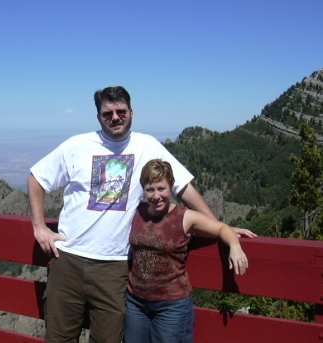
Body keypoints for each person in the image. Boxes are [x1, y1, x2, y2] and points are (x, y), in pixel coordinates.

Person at [28, 86, 218, 342]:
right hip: (68, 259)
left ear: (132, 113)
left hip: (115, 267)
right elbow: (37, 178)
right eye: (108, 113)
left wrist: (216, 226)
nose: (115, 117)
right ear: (98, 117)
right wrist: (39, 227)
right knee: (59, 338)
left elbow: (182, 186)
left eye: (121, 111)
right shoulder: (77, 145)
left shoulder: (147, 145)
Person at [125, 159, 254, 343]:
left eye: (161, 188)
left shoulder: (185, 217)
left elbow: (221, 228)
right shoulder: (137, 211)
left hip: (171, 305)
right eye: (150, 189)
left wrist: (234, 245)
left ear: (171, 187)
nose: (156, 195)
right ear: (143, 190)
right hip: (136, 302)